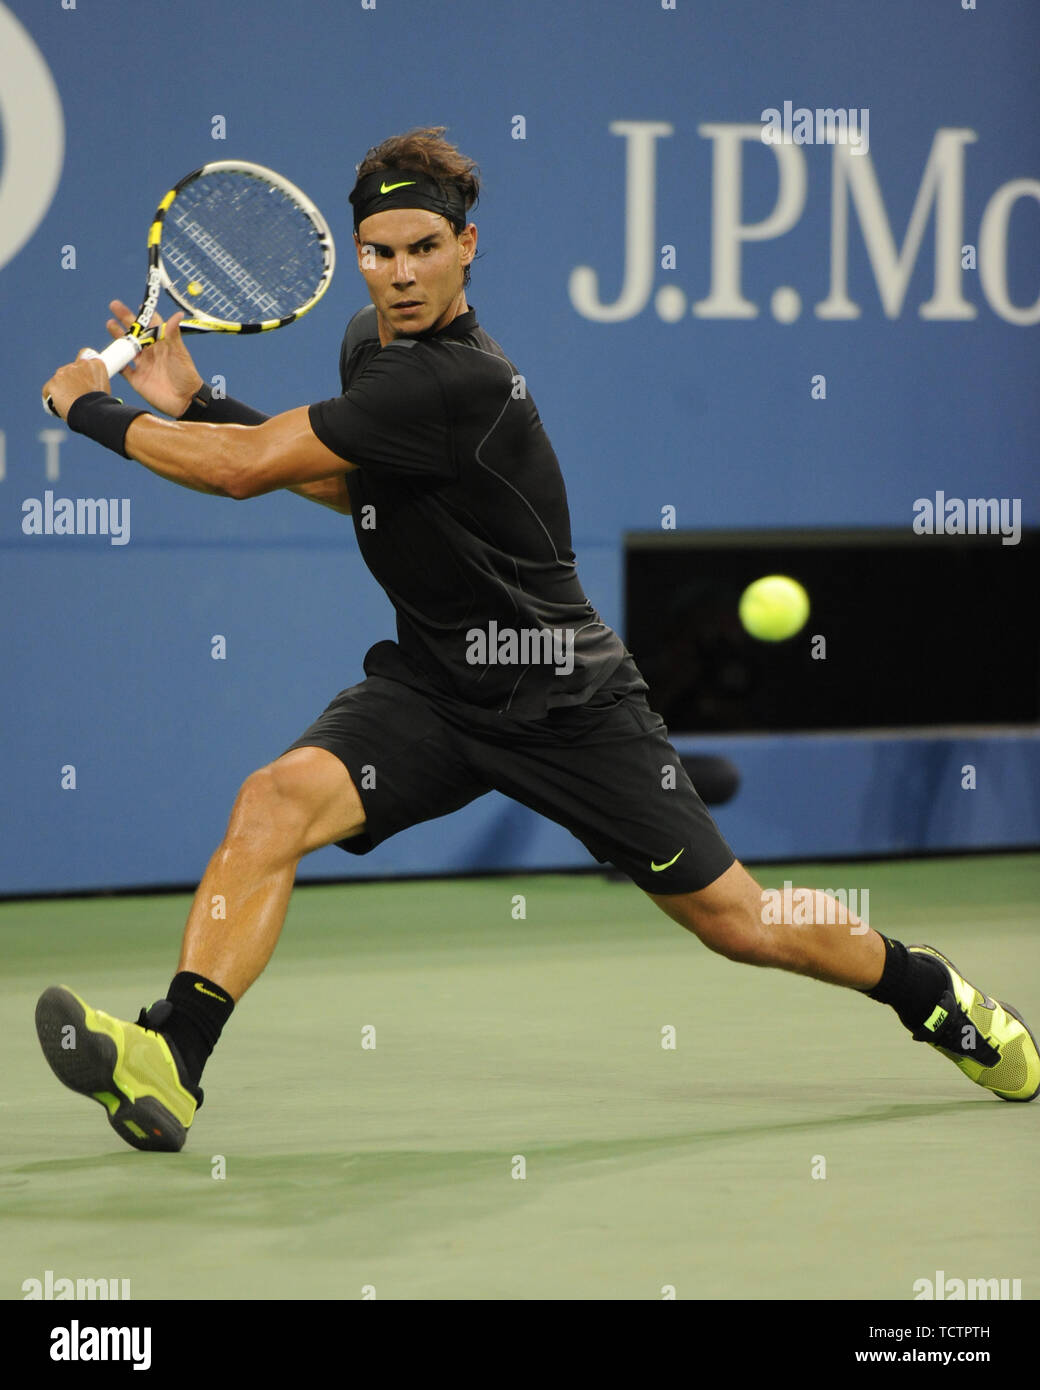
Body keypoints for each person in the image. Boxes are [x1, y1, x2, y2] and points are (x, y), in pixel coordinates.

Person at [36, 128, 1039, 1152]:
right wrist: (201, 403)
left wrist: (93, 409)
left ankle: (928, 992)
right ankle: (174, 1055)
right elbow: (358, 487)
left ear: (469, 245)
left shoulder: (456, 380)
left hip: (566, 701)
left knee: (739, 922)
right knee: (274, 800)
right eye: (379, 252)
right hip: (432, 691)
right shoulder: (368, 350)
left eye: (423, 246)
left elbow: (244, 469)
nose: (398, 273)